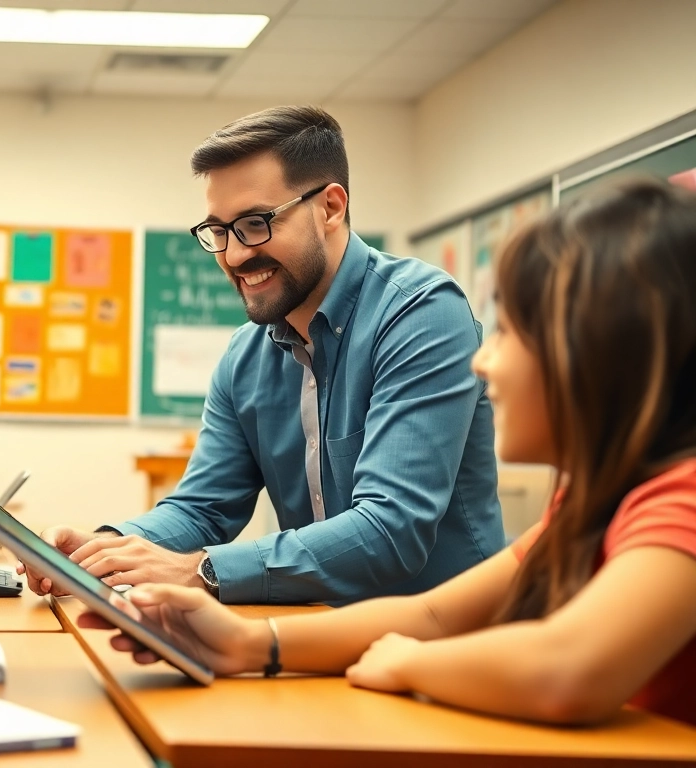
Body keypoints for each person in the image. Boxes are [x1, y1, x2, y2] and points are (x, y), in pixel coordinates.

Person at [82, 179, 696, 727]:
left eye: (510, 331)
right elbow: (428, 615)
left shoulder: (683, 498)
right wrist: (247, 644)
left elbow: (565, 669)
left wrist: (413, 665)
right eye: (221, 233)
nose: (483, 360)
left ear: (604, 353)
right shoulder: (590, 501)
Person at [25, 105, 502, 605]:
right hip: (325, 631)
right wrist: (103, 550)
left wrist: (203, 571)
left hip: (454, 642)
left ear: (331, 207)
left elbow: (390, 531)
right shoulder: (246, 354)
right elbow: (202, 508)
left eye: (255, 223)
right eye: (219, 231)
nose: (233, 256)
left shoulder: (421, 314)